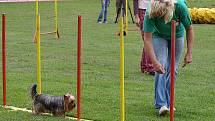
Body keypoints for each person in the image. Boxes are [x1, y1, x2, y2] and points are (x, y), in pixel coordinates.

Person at [143, 0, 194, 115]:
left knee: (173, 69)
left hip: (177, 35)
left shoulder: (180, 7)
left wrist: (189, 53)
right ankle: (162, 104)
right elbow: (147, 39)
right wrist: (154, 62)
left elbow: (189, 29)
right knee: (161, 64)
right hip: (158, 36)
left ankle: (169, 103)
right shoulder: (150, 11)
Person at [133, 0, 155, 75]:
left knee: (148, 40)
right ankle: (150, 67)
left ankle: (144, 66)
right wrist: (136, 16)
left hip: (153, 9)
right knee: (148, 39)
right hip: (143, 10)